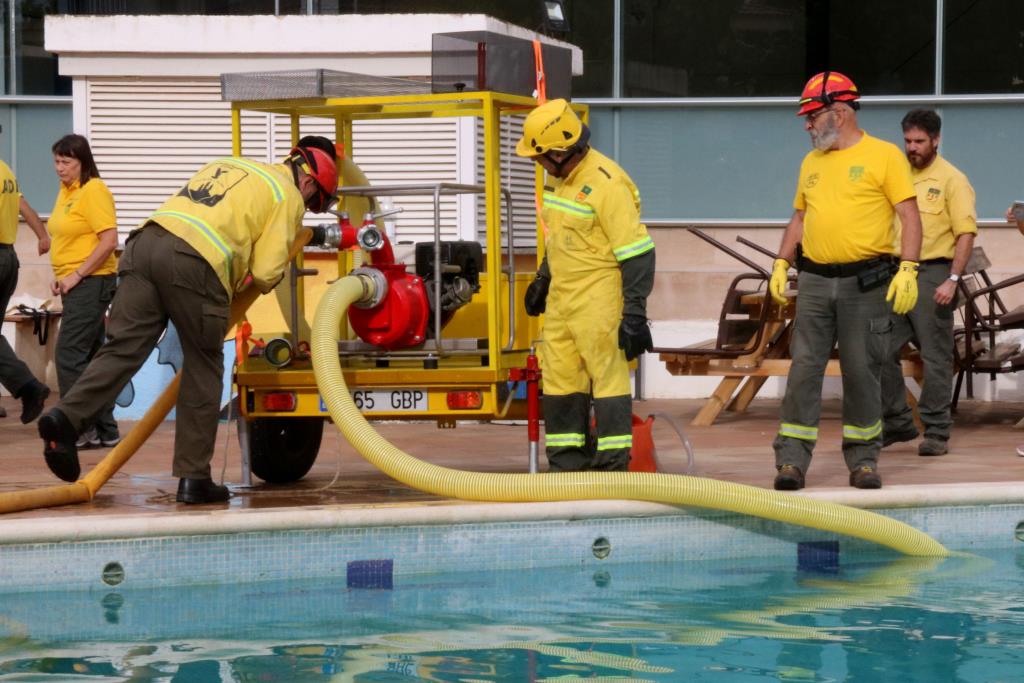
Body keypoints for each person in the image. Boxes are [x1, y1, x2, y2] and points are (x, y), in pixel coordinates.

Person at [38, 136, 339, 503]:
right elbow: (265, 270)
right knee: (204, 362)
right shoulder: (287, 194)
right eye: (313, 202)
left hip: (143, 244)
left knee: (122, 350)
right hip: (194, 263)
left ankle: (65, 420)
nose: (306, 207)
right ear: (308, 183)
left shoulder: (233, 164)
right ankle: (194, 479)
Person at [768, 71, 923, 490]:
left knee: (862, 370)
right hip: (815, 282)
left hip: (866, 284)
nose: (806, 125)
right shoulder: (811, 162)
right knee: (803, 370)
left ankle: (864, 460)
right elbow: (799, 217)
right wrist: (782, 262)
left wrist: (909, 268)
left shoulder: (884, 155)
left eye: (811, 116)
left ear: (839, 113)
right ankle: (791, 461)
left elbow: (909, 214)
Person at [515, 98, 656, 472]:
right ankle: (567, 464)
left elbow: (638, 253)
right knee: (560, 376)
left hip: (599, 297)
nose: (536, 162)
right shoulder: (559, 180)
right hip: (563, 297)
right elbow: (559, 234)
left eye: (539, 156)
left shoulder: (607, 183)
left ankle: (611, 466)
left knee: (607, 377)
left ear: (561, 151)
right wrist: (544, 278)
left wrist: (634, 314)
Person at [881, 109, 976, 457]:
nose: (912, 147)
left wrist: (952, 279)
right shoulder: (896, 175)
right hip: (893, 275)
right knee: (875, 350)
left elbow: (965, 234)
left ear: (936, 140)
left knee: (935, 356)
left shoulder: (953, 179)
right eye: (907, 140)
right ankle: (897, 421)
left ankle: (936, 431)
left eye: (919, 141)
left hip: (932, 275)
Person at [47, 134, 121, 449]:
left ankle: (78, 426)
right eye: (56, 161)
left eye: (66, 162)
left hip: (91, 283)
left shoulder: (94, 190)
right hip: (75, 283)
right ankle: (105, 429)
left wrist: (76, 275)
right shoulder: (66, 192)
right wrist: (62, 275)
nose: (59, 168)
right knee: (90, 357)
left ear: (83, 162)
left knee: (68, 355)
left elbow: (109, 240)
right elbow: (68, 237)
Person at [0, 158, 52, 422]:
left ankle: (28, 387)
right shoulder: (4, 170)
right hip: (8, 259)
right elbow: (24, 206)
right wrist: (42, 235)